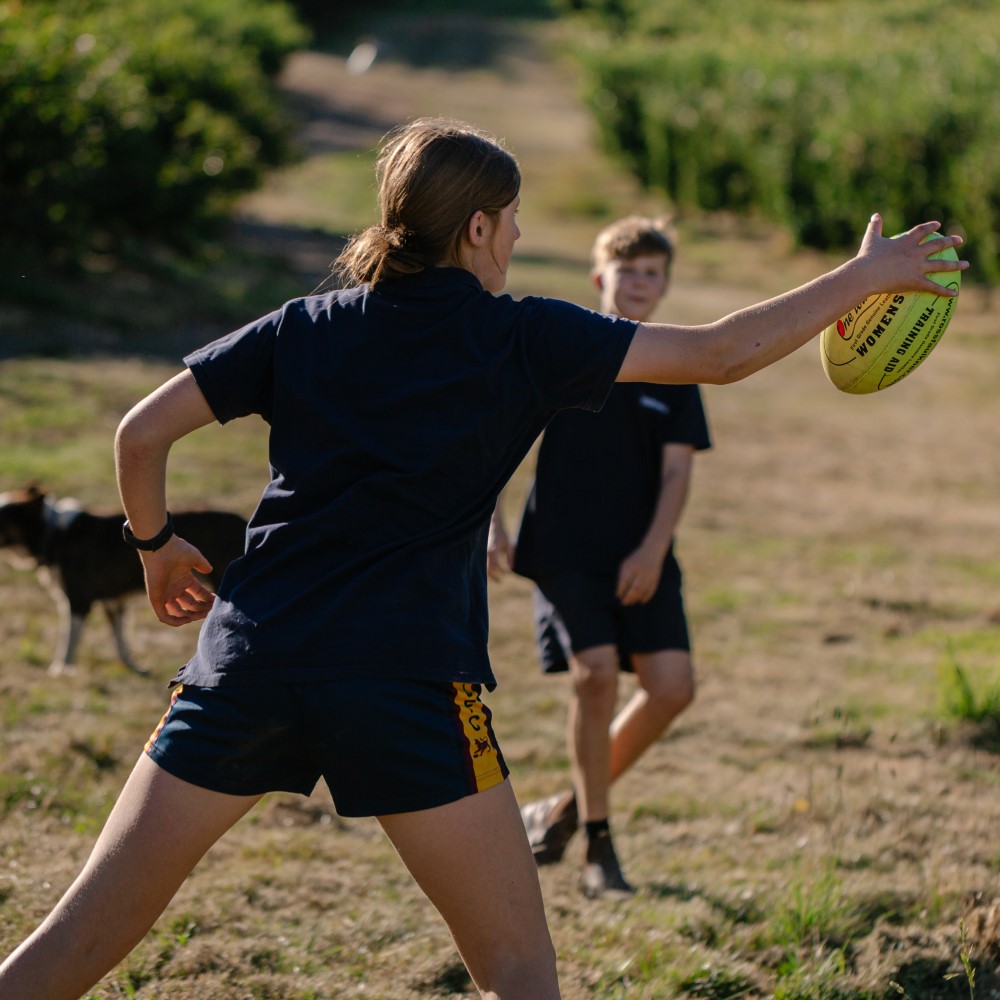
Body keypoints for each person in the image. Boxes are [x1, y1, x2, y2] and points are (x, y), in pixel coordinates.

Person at [0, 116, 965, 1000]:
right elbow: (718, 354)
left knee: (75, 942)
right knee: (515, 968)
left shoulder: (302, 326)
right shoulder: (524, 337)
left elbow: (138, 434)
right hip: (407, 682)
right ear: (474, 229)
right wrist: (861, 278)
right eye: (508, 224)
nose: (512, 241)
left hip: (250, 663)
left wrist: (156, 548)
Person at [488, 215, 709, 898]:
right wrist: (490, 522)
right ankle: (598, 850)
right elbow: (496, 437)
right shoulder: (569, 350)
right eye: (628, 270)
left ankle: (559, 811)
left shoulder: (676, 363)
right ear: (599, 279)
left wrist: (651, 549)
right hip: (564, 550)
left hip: (640, 552)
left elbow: (677, 473)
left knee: (672, 688)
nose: (640, 283)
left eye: (652, 274)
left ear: (665, 287)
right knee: (597, 676)